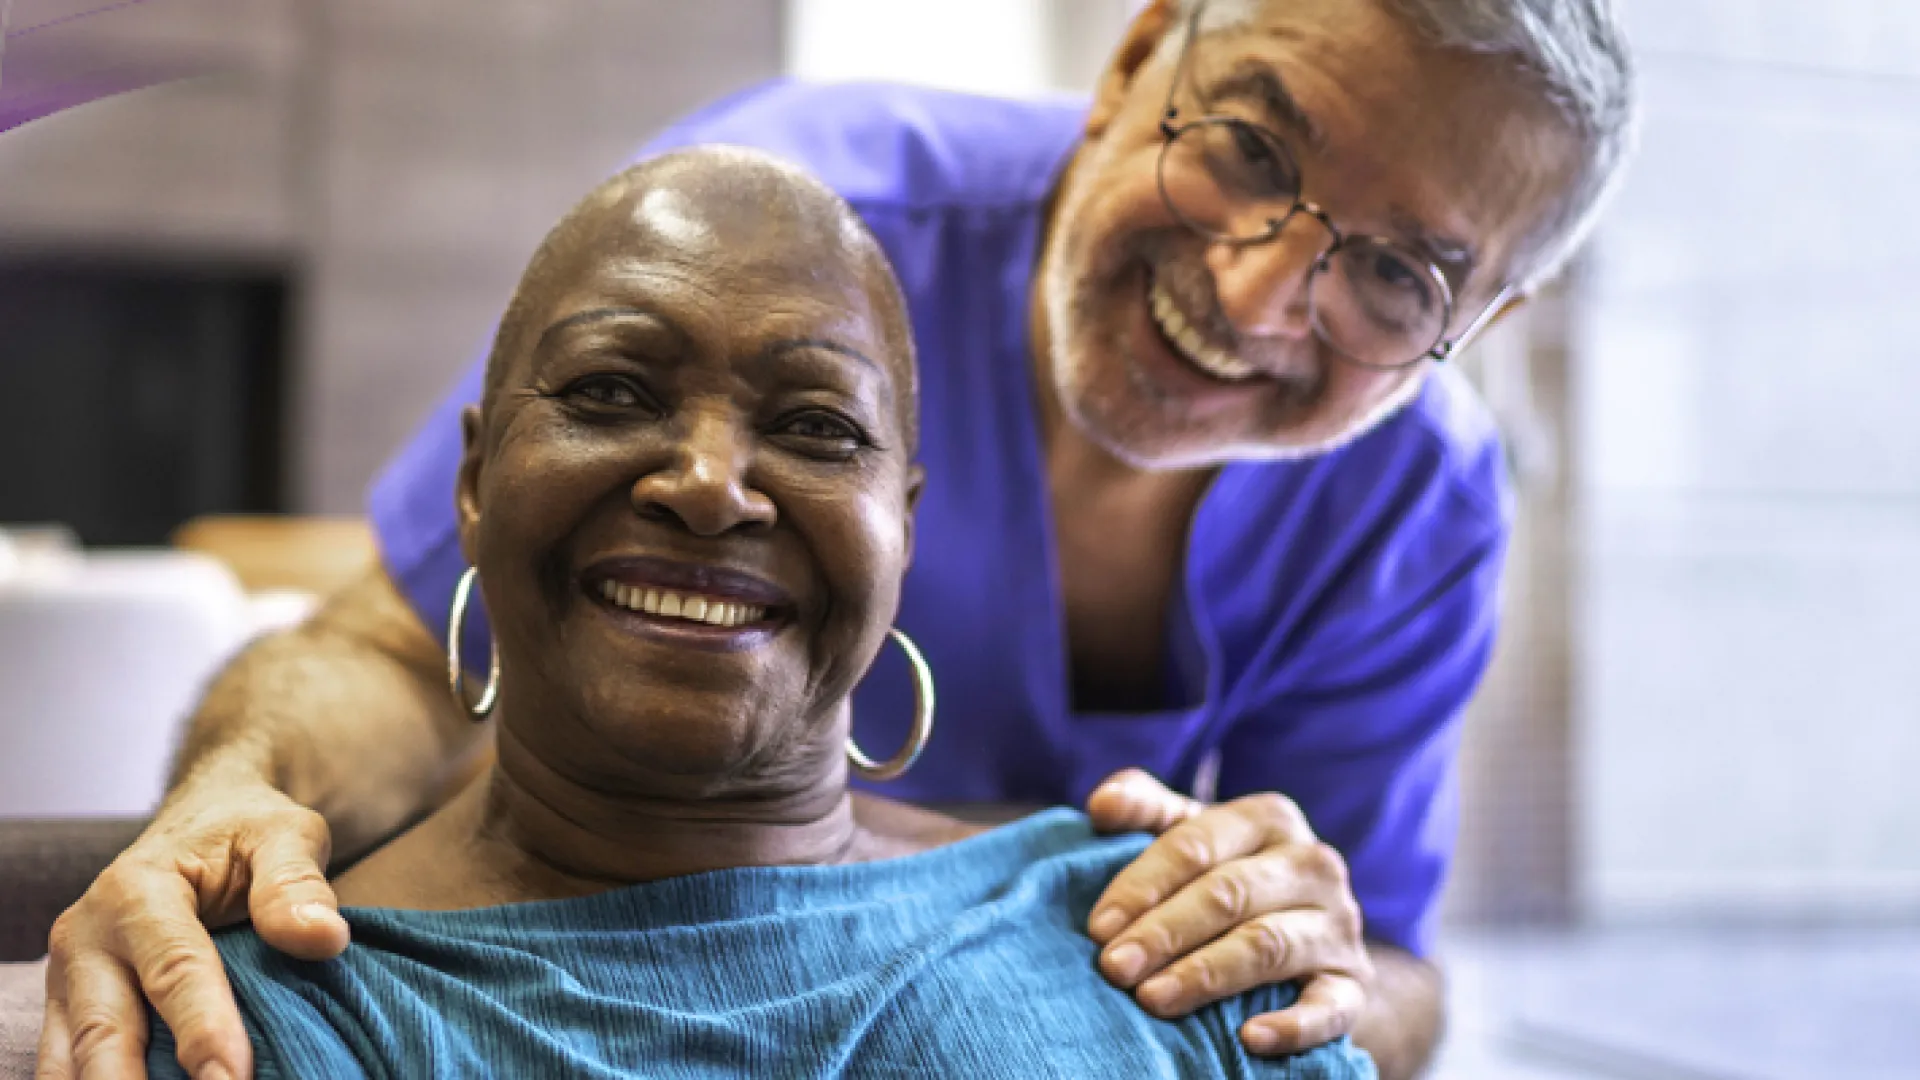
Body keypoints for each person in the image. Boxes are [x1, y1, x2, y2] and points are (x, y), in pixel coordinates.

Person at [39, 3, 1637, 1079]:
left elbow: (1400, 983)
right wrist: (229, 798)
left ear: (1485, 316)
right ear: (1138, 54)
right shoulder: (794, 230)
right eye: (1254, 151)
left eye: (1399, 279)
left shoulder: (1415, 504)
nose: (1248, 290)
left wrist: (1306, 963)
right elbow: (394, 650)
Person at [134, 146, 1376, 1080]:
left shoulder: (1166, 945)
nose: (711, 486)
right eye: (614, 390)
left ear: (906, 525)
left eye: (816, 427)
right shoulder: (279, 1017)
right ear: (473, 483)